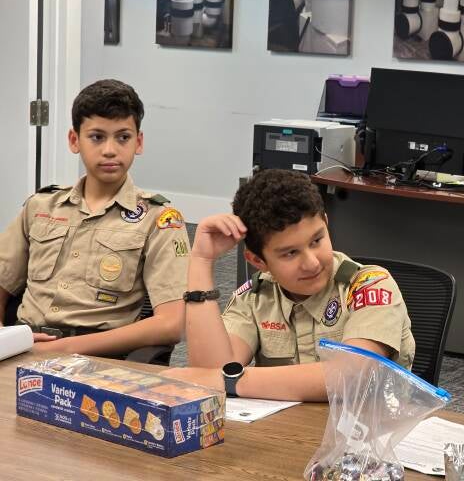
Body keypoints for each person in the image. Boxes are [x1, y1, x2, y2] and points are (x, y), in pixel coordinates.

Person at [165, 169, 415, 401]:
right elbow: (208, 375)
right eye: (290, 253)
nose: (312, 263)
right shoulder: (255, 297)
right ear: (258, 261)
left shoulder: (370, 285)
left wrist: (234, 380)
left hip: (371, 432)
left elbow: (350, 376)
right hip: (288, 431)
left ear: (326, 223)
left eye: (317, 240)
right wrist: (201, 260)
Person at [0, 79, 188, 356]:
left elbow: (171, 324)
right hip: (23, 347)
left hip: (97, 358)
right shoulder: (41, 206)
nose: (110, 150)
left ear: (138, 142)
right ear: (74, 140)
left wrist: (63, 348)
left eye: (123, 137)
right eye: (97, 137)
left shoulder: (159, 219)